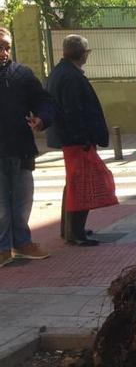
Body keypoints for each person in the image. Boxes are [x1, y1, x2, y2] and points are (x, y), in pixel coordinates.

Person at [46, 34, 118, 246]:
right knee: (81, 185)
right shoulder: (70, 76)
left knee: (74, 184)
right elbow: (73, 111)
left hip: (70, 139)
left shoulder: (61, 72)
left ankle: (70, 229)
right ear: (83, 54)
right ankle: (75, 233)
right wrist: (83, 138)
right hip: (76, 141)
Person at [0, 27, 54, 266]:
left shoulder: (21, 74)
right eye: (0, 46)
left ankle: (22, 243)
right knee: (0, 205)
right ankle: (2, 248)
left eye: (6, 47)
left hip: (21, 148)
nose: (3, 51)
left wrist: (42, 118)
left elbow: (44, 101)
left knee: (23, 200)